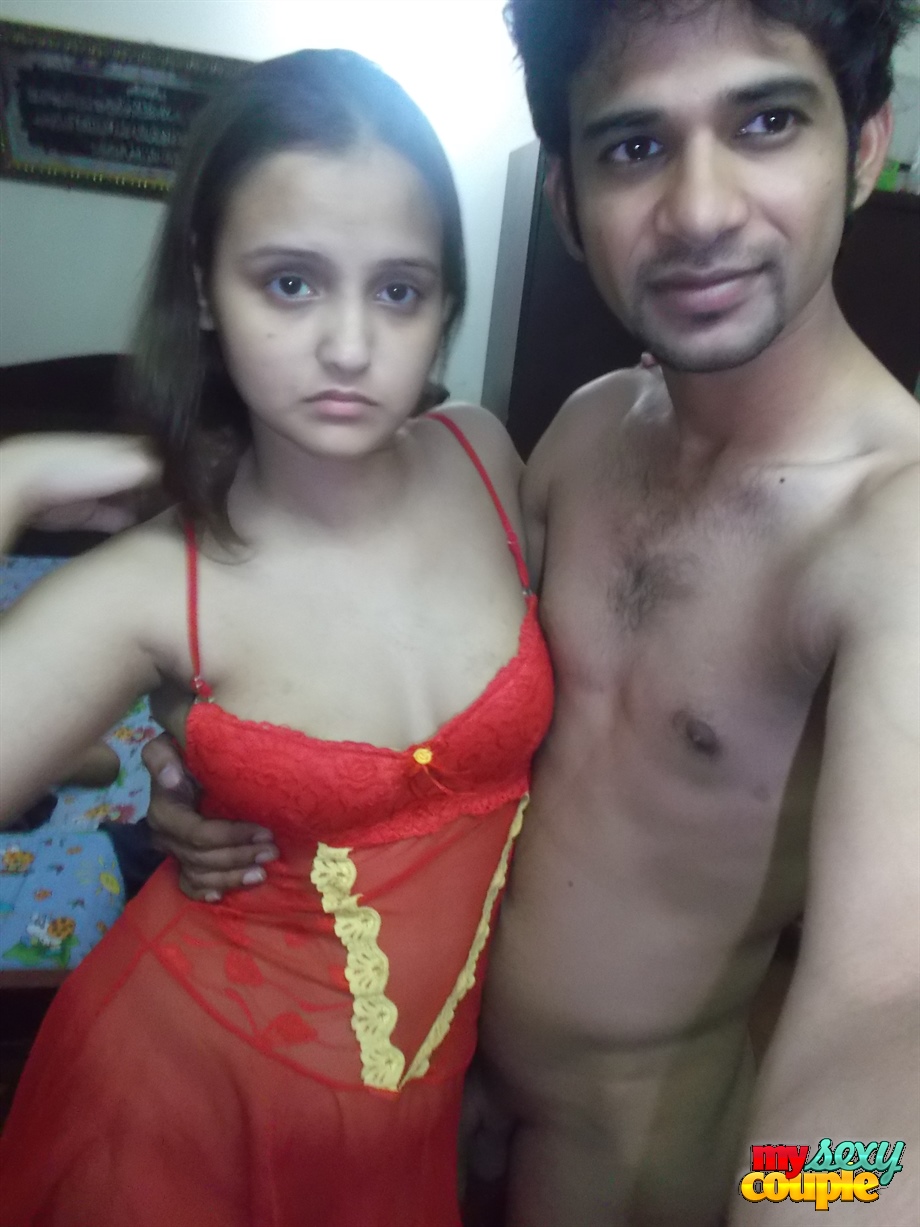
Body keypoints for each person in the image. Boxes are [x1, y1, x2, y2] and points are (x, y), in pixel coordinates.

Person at [147, 2, 920, 1224]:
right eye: (633, 146)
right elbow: (403, 668)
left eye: (765, 122)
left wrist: (798, 1197)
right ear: (564, 199)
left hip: (629, 1168)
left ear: (864, 145)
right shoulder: (586, 428)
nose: (699, 208)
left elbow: (883, 1011)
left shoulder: (891, 531)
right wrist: (207, 764)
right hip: (425, 1094)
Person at [0, 49, 553, 1227]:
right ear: (206, 287)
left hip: (417, 1122)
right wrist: (10, 482)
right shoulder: (154, 587)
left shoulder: (485, 456)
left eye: (397, 290)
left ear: (444, 303)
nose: (348, 345)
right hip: (173, 1107)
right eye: (290, 283)